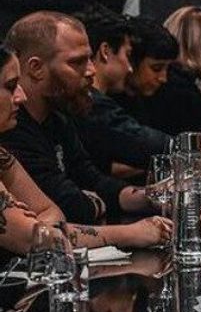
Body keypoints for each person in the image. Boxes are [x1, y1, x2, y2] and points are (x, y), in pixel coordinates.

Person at [0, 44, 171, 257]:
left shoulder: (4, 155)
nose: (21, 96)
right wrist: (132, 233)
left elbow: (53, 213)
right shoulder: (16, 137)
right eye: (10, 86)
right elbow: (33, 239)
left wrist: (40, 226)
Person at [0, 12, 153, 224]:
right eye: (77, 62)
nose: (91, 70)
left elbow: (92, 180)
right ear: (36, 68)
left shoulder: (58, 117)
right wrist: (91, 202)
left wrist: (153, 196)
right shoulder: (10, 129)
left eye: (89, 58)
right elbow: (68, 205)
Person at [74, 12, 201, 175]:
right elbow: (133, 148)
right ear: (105, 51)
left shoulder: (154, 91)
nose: (129, 68)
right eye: (75, 62)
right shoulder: (92, 103)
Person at [124, 17, 201, 150]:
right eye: (156, 68)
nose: (163, 78)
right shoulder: (178, 87)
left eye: (167, 68)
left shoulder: (173, 84)